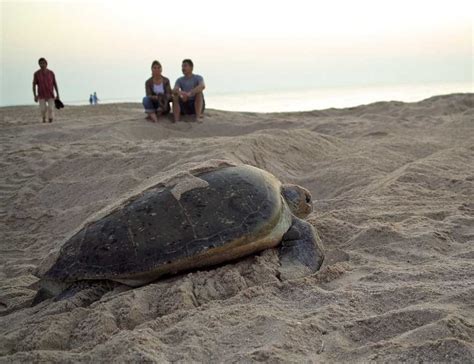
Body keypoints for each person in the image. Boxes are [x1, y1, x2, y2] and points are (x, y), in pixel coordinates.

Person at [32, 58, 59, 123]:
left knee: (51, 108)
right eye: (41, 63)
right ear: (39, 64)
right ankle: (43, 117)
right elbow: (33, 85)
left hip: (50, 94)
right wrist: (35, 95)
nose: (42, 65)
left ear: (46, 64)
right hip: (41, 94)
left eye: (43, 63)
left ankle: (50, 119)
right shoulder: (36, 74)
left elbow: (55, 83)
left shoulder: (51, 73)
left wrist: (58, 94)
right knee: (43, 109)